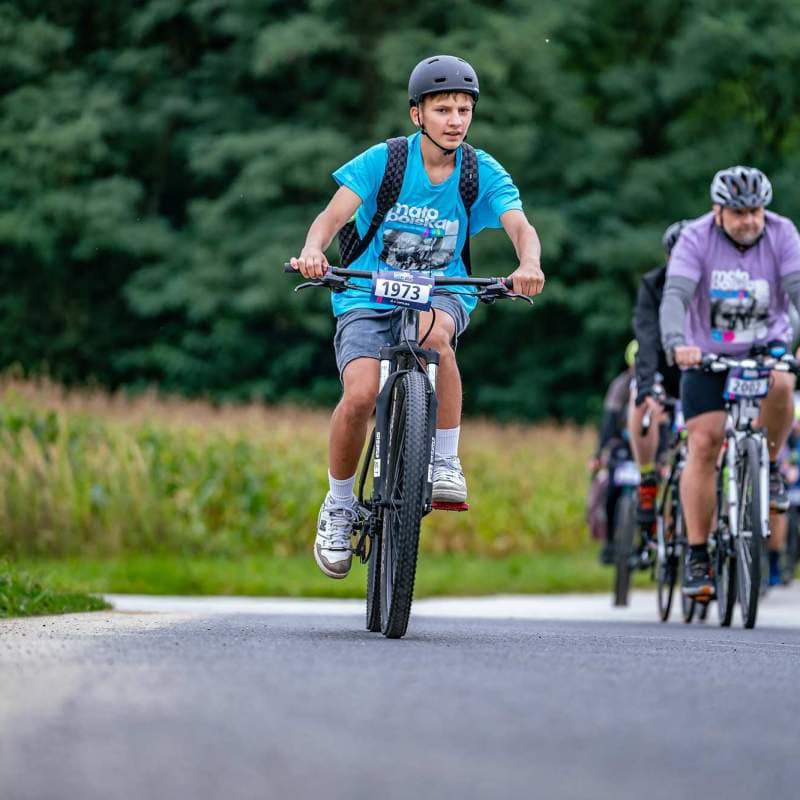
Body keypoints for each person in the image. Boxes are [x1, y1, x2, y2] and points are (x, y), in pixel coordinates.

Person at [290, 55, 545, 578]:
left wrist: (529, 264)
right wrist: (314, 251)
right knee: (360, 393)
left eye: (464, 109)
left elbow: (520, 225)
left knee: (435, 338)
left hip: (440, 293)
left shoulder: (480, 171)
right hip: (364, 293)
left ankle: (445, 459)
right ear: (417, 115)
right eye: (444, 109)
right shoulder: (383, 162)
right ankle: (339, 504)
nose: (456, 120)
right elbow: (330, 216)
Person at [660, 165, 800, 598]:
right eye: (739, 212)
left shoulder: (782, 233)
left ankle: (772, 467)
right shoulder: (696, 238)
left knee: (781, 381)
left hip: (765, 349)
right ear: (718, 211)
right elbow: (676, 295)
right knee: (704, 442)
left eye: (755, 211)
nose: (749, 220)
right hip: (706, 355)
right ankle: (699, 554)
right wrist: (677, 342)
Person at [627, 221, 690, 525]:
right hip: (664, 367)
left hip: (702, 367)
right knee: (640, 402)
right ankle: (647, 478)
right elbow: (647, 338)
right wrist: (647, 387)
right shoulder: (654, 285)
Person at [590, 341, 637, 564]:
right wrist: (599, 453)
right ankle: (609, 542)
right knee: (610, 492)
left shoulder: (660, 384)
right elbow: (609, 422)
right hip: (622, 447)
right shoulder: (620, 386)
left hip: (649, 449)